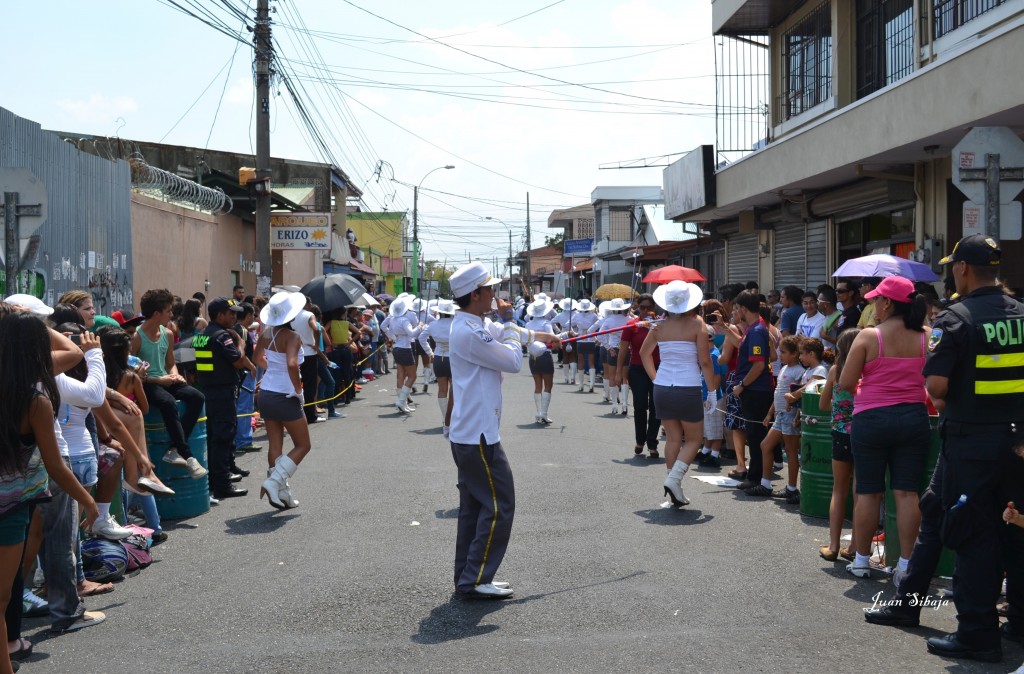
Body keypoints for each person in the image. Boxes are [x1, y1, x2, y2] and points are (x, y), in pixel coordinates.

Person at [917, 235, 1024, 663]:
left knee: (973, 534)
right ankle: (1018, 621)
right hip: (1019, 445)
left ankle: (978, 634)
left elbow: (937, 387)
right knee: (1016, 530)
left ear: (962, 269)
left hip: (973, 445)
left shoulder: (954, 319)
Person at [447, 262, 559, 599]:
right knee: (500, 505)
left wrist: (543, 337)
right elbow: (511, 360)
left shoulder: (472, 323)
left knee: (475, 509)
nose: (496, 295)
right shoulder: (469, 331)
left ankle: (469, 577)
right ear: (476, 294)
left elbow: (514, 337)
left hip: (471, 432)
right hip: (478, 435)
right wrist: (512, 324)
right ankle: (476, 578)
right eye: (491, 289)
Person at [0, 311, 105, 639]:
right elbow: (56, 466)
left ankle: (14, 639)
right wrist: (89, 500)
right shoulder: (35, 397)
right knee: (57, 544)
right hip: (24, 493)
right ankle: (64, 615)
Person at [838, 276, 930, 581]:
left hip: (872, 420)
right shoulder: (926, 336)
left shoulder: (868, 337)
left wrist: (870, 390)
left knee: (868, 492)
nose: (873, 303)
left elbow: (846, 384)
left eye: (877, 299)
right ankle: (906, 565)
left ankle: (862, 561)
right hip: (914, 418)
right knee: (907, 493)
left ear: (888, 303)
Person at [641, 281, 717, 507]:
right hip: (687, 386)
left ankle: (673, 485)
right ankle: (674, 480)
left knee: (673, 437)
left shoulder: (659, 327)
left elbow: (645, 354)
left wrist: (656, 378)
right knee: (694, 438)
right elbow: (705, 361)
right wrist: (712, 391)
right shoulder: (697, 324)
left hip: (662, 387)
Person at [131, 289, 207, 479]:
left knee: (197, 397)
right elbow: (132, 375)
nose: (171, 315)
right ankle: (187, 454)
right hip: (146, 383)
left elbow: (170, 362)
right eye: (168, 311)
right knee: (167, 402)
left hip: (166, 379)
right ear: (156, 314)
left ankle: (174, 448)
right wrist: (159, 380)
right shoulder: (137, 337)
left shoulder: (168, 332)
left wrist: (174, 375)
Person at [253, 292, 313, 510]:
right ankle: (274, 482)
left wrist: (273, 371)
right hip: (285, 395)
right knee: (303, 445)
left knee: (275, 444)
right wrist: (298, 390)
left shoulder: (266, 334)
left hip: (266, 393)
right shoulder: (293, 337)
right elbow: (292, 364)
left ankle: (282, 493)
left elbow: (257, 359)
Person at [194, 297, 255, 500]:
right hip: (222, 393)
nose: (234, 317)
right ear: (220, 315)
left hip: (207, 391)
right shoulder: (224, 337)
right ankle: (222, 484)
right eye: (231, 314)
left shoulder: (201, 335)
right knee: (222, 437)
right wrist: (241, 343)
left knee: (213, 437)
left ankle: (214, 480)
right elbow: (238, 362)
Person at [818, 328, 860, 561]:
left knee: (839, 490)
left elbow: (823, 405)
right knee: (861, 492)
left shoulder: (836, 370)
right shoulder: (869, 371)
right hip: (865, 433)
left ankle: (833, 546)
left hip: (841, 433)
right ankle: (854, 547)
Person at [730, 290, 775, 492]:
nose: (735, 312)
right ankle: (754, 474)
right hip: (754, 388)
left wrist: (742, 385)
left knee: (756, 435)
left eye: (737, 308)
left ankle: (756, 477)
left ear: (744, 309)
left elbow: (758, 365)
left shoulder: (757, 330)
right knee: (754, 434)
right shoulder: (753, 328)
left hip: (756, 389)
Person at [619, 294, 661, 458]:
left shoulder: (659, 324)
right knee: (640, 405)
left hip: (657, 368)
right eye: (642, 307)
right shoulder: (631, 325)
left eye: (648, 308)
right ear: (637, 308)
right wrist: (618, 373)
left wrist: (655, 325)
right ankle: (640, 440)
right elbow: (623, 349)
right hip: (637, 368)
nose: (645, 311)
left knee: (656, 406)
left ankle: (652, 443)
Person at [524, 297, 558, 424]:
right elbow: (552, 339)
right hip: (544, 354)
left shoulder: (528, 324)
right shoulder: (546, 323)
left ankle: (538, 414)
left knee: (538, 385)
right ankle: (543, 413)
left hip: (532, 357)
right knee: (548, 385)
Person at [426, 299, 456, 436]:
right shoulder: (456, 324)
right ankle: (451, 419)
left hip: (438, 357)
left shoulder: (433, 325)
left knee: (442, 389)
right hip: (453, 358)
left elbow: (421, 337)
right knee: (454, 390)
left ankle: (445, 418)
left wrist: (429, 352)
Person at [570, 299, 599, 392]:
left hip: (580, 338)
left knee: (581, 361)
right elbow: (599, 323)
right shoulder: (593, 315)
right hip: (590, 338)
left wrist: (574, 331)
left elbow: (568, 324)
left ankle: (581, 385)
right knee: (591, 362)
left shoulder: (576, 315)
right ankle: (591, 385)